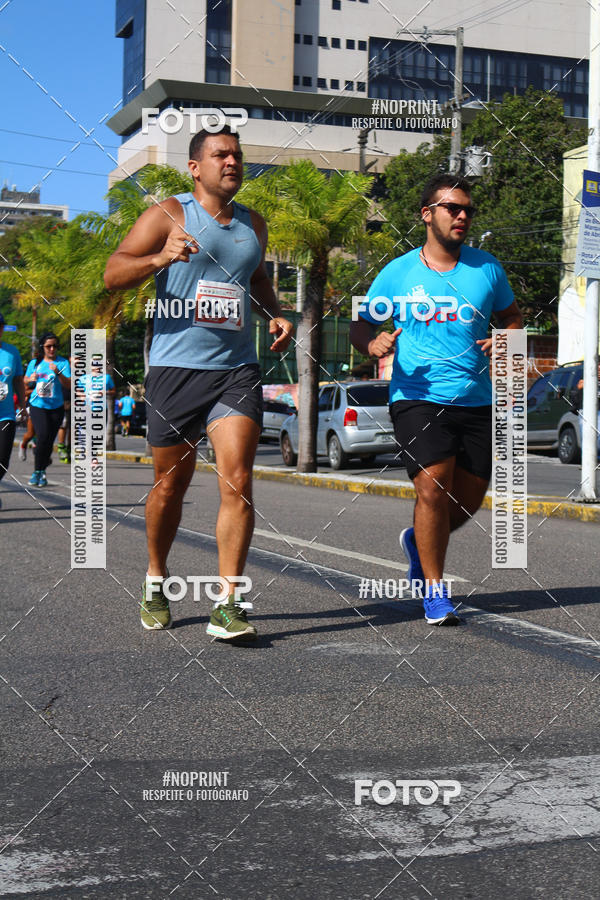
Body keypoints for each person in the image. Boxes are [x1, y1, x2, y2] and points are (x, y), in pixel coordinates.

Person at [104, 125, 294, 638]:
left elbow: (255, 279)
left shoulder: (254, 224)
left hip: (235, 370)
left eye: (236, 155)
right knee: (170, 486)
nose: (231, 162)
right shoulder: (169, 212)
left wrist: (273, 314)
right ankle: (156, 578)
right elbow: (113, 271)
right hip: (175, 370)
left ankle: (229, 602)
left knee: (239, 479)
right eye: (220, 155)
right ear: (195, 166)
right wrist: (159, 258)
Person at [350, 173, 522, 625]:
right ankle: (434, 590)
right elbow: (359, 323)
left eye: (467, 209)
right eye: (452, 208)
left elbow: (512, 319)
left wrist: (504, 342)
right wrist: (371, 344)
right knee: (433, 487)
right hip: (417, 396)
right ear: (427, 215)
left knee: (465, 503)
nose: (462, 215)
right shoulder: (398, 273)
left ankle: (416, 543)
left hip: (477, 400)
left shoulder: (487, 269)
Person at [24, 332, 71, 487]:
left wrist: (58, 372)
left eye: (54, 346)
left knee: (49, 441)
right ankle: (37, 471)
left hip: (56, 407)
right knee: (43, 435)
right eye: (48, 346)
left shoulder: (63, 363)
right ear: (43, 347)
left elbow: (69, 384)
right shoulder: (35, 363)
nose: (52, 349)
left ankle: (42, 471)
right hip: (38, 405)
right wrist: (30, 379)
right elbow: (24, 380)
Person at [0, 312, 27, 501]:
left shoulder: (12, 352)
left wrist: (23, 406)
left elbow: (18, 380)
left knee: (2, 459)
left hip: (6, 413)